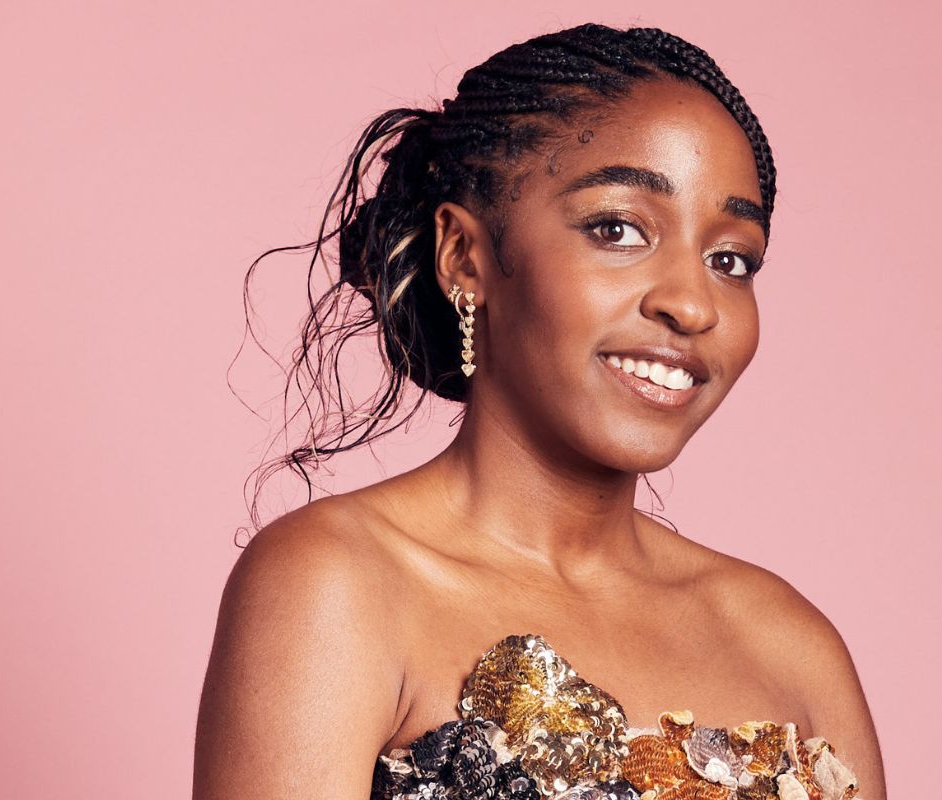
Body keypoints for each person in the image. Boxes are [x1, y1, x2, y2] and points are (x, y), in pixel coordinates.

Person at [193, 22, 887, 800]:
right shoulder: (338, 585)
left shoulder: (792, 648)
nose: (693, 304)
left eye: (731, 260)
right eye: (617, 229)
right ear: (465, 257)